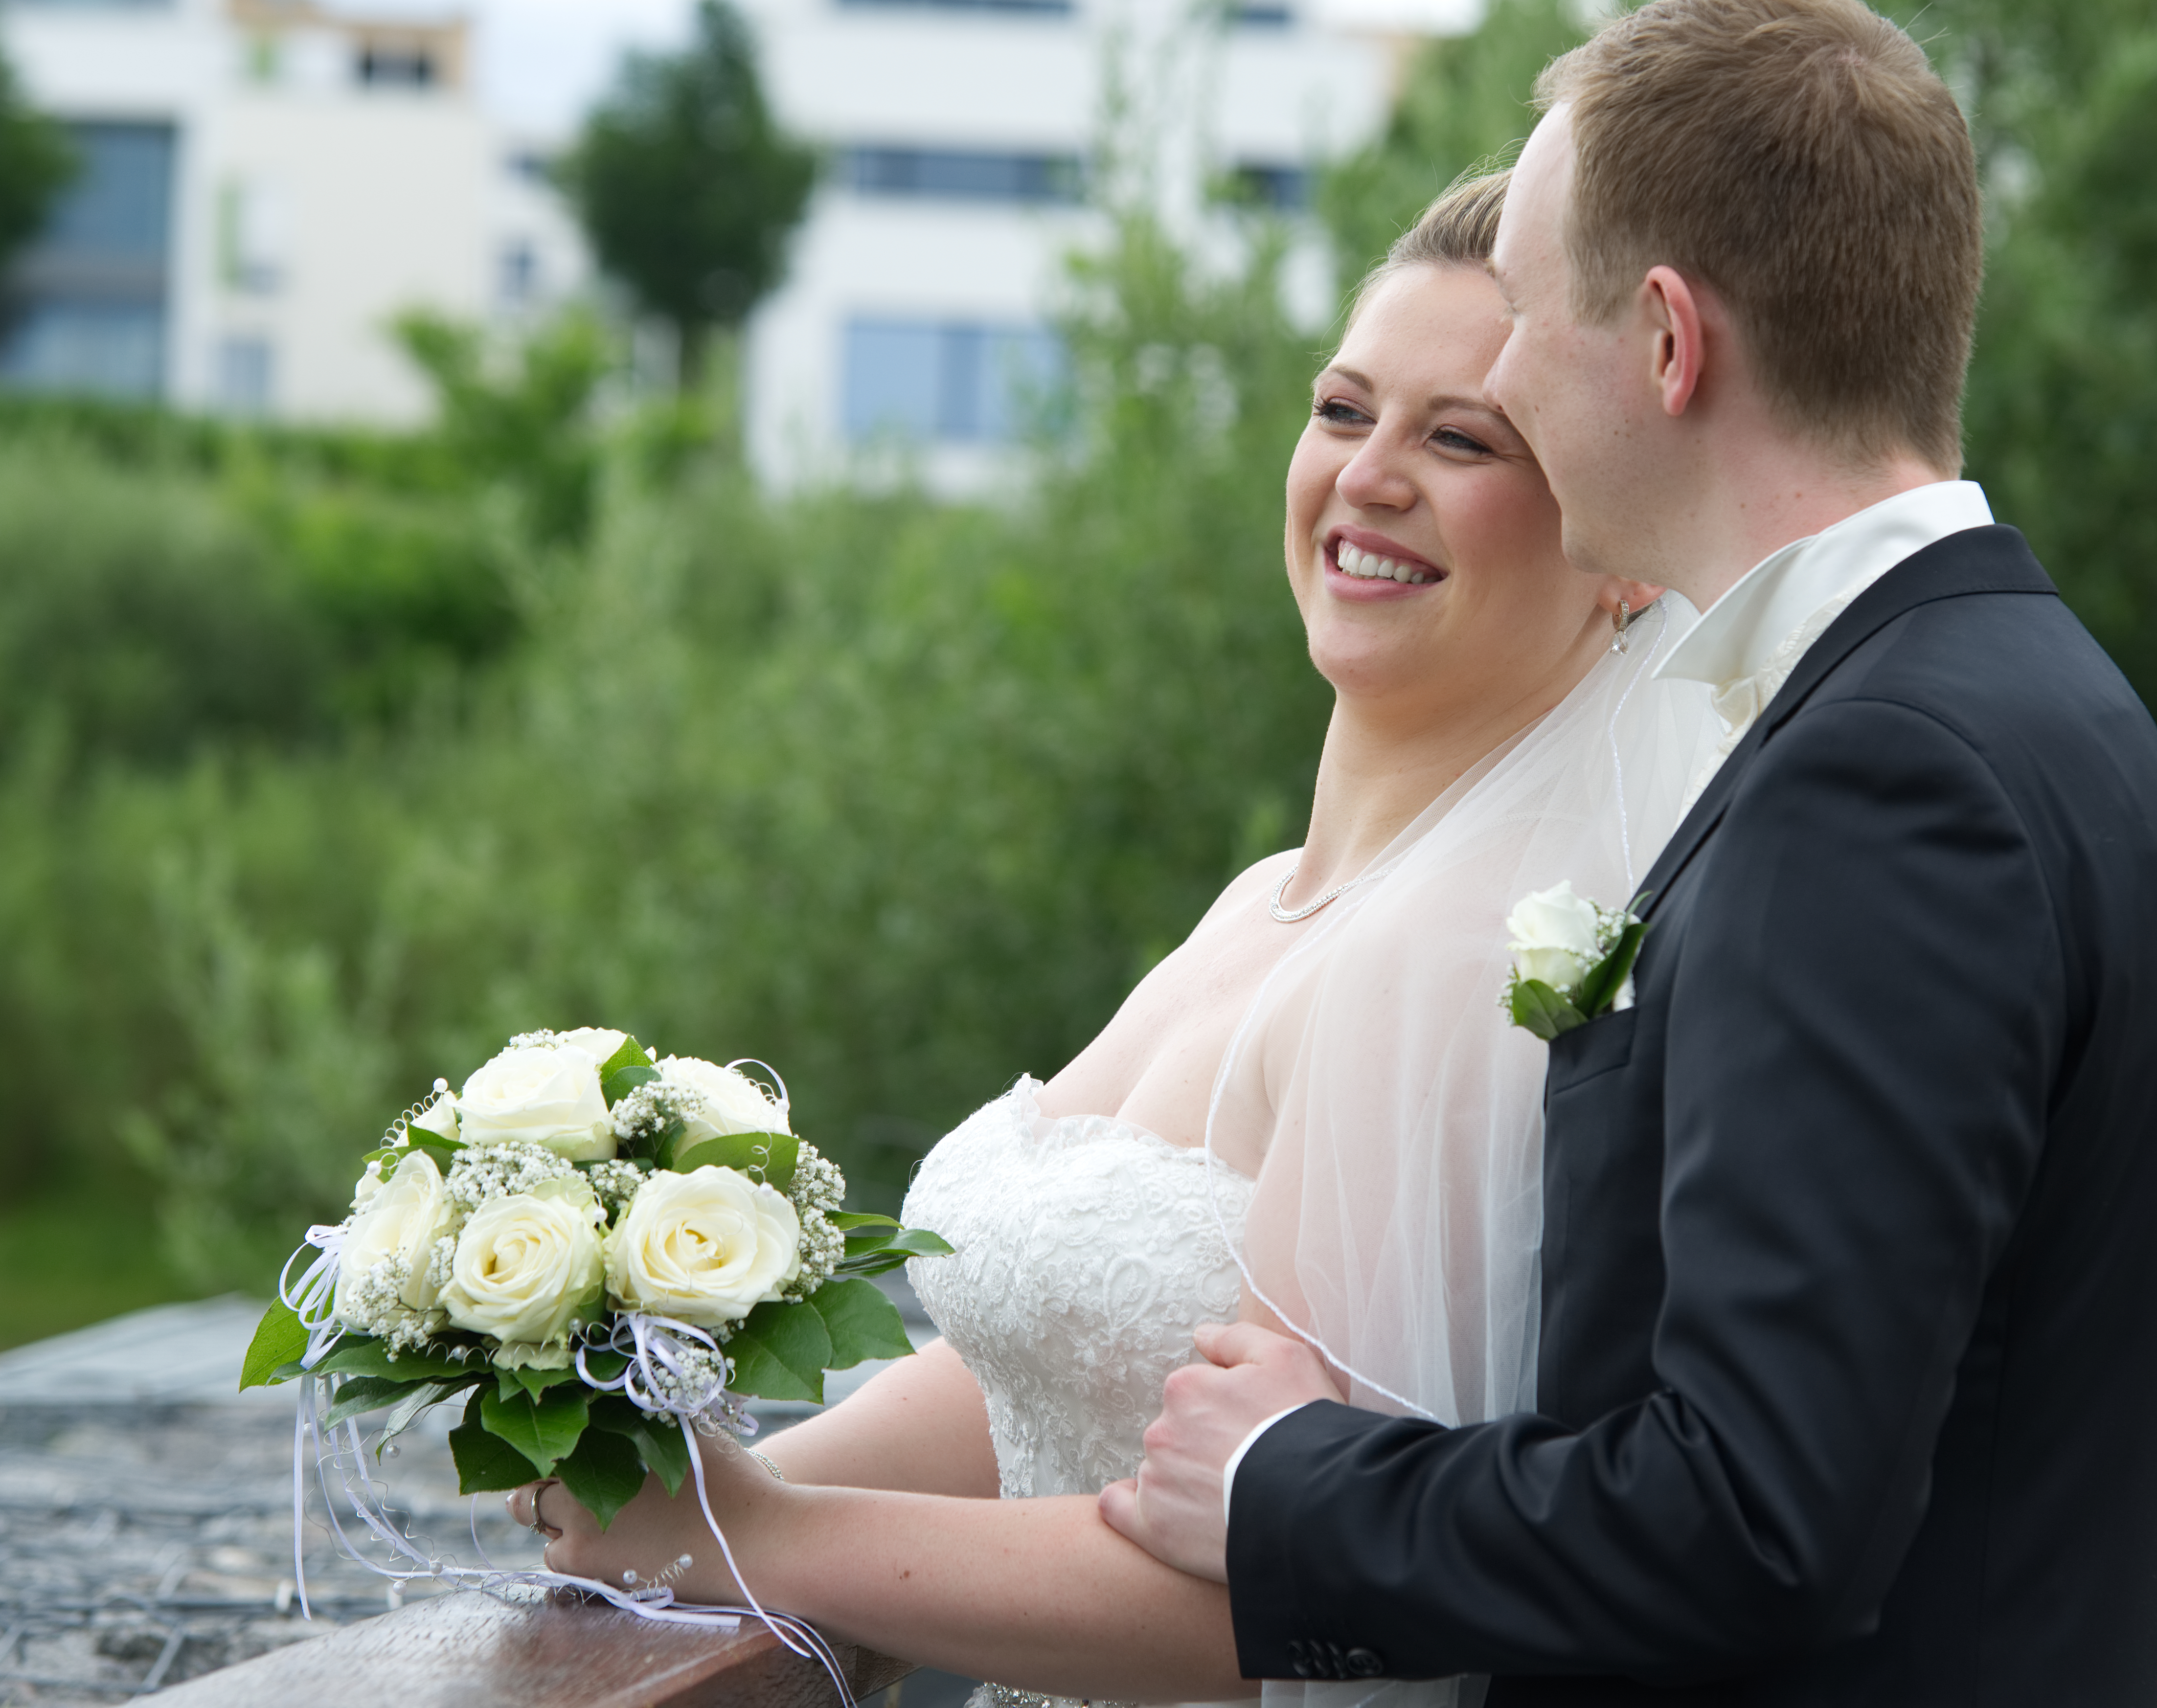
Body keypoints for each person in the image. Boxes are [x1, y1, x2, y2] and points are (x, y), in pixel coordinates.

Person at [1105, 0, 2157, 1704]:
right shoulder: (2039, 697)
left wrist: (1285, 1480)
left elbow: (1757, 1518)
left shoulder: (1883, 781)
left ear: (1662, 339)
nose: (1495, 366)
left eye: (1527, 317)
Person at [511, 173, 1721, 1705]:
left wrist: (763, 1534)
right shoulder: (1267, 898)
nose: (1367, 476)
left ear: (1614, 538)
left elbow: (1297, 1600)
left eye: (1460, 437)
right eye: (1343, 410)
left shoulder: (1450, 960)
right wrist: (674, 1497)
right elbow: (1047, 1359)